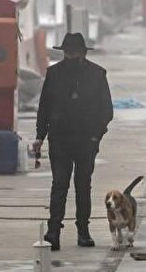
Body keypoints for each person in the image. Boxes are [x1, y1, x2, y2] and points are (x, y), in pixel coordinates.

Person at [32, 32, 114, 250]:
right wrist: (40, 136)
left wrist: (96, 135)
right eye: (68, 52)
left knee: (83, 185)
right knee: (59, 185)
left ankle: (83, 230)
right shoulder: (54, 74)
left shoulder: (97, 74)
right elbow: (44, 107)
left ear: (83, 53)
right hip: (59, 139)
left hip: (87, 140)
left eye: (75, 52)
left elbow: (106, 110)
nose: (71, 56)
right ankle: (53, 231)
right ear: (64, 52)